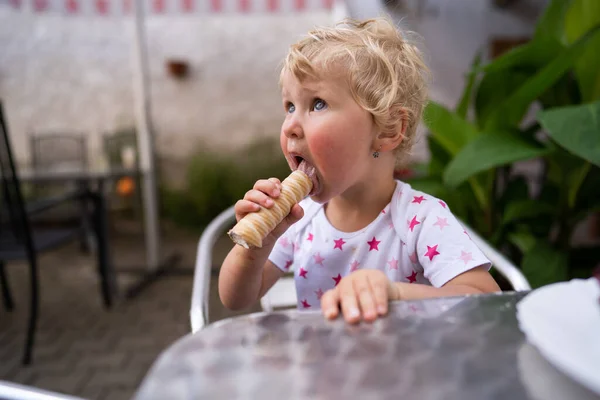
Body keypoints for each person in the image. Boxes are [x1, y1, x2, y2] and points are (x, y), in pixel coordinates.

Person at [219, 17, 500, 324]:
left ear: (388, 130)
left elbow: (485, 300)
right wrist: (255, 248)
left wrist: (395, 293)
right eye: (289, 106)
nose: (290, 127)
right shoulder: (298, 219)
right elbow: (236, 299)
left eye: (317, 104)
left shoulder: (419, 221)